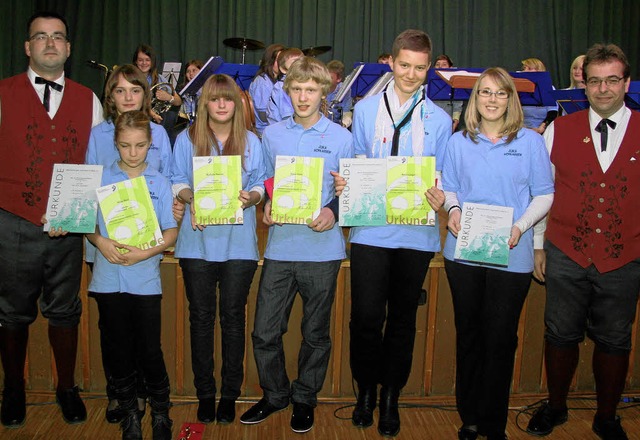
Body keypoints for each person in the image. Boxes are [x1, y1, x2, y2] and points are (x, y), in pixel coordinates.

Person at [339, 29, 451, 438]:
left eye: (420, 68)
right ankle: (365, 390)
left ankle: (391, 397)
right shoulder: (366, 111)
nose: (411, 73)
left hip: (417, 234)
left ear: (429, 69)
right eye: (404, 65)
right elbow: (354, 159)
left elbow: (441, 172)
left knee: (402, 320)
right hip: (370, 229)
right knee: (366, 318)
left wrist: (440, 193)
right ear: (391, 62)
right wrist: (345, 182)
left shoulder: (439, 120)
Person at [526, 43, 639, 440]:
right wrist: (538, 244)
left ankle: (607, 417)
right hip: (565, 251)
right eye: (595, 81)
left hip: (625, 255)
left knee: (614, 338)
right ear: (584, 85)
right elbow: (543, 191)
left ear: (626, 83)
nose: (603, 89)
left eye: (612, 80)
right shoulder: (559, 129)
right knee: (560, 333)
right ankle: (555, 407)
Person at [0, 11, 103, 428]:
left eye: (58, 37)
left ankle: (66, 387)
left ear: (68, 48)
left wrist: (79, 214)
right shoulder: (3, 93)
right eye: (40, 37)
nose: (49, 43)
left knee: (65, 311)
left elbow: (98, 164)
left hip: (68, 226)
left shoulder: (88, 99)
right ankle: (12, 389)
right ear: (27, 47)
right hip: (12, 224)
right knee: (11, 313)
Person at [239, 57, 353, 434]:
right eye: (297, 89)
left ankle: (304, 398)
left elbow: (349, 189)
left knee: (315, 333)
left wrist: (334, 210)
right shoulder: (272, 135)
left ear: (324, 92)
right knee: (264, 332)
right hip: (280, 248)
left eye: (311, 89)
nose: (303, 96)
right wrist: (268, 204)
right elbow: (269, 182)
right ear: (287, 92)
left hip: (323, 250)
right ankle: (275, 395)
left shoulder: (342, 138)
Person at [441, 67, 554, 440]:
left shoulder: (530, 142)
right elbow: (451, 188)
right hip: (464, 253)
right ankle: (470, 417)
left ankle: (494, 423)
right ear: (476, 98)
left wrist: (520, 226)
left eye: (500, 93)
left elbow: (544, 194)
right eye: (485, 92)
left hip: (512, 253)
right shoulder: (459, 142)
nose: (492, 99)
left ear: (510, 99)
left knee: (501, 339)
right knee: (469, 335)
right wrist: (453, 211)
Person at [171, 74, 266, 424]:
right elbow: (176, 178)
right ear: (205, 103)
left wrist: (252, 197)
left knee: (233, 319)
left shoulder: (252, 142)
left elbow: (260, 183)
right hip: (196, 243)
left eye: (228, 99)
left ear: (237, 104)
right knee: (200, 319)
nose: (222, 105)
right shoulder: (187, 139)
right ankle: (205, 394)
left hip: (239, 245)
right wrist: (189, 196)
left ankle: (230, 393)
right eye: (215, 99)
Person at [85, 63, 174, 424]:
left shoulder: (158, 138)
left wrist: (150, 243)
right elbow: (86, 197)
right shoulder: (98, 135)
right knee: (114, 334)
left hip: (144, 253)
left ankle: (149, 401)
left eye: (134, 90)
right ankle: (122, 400)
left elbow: (165, 190)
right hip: (106, 251)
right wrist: (96, 238)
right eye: (120, 91)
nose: (127, 97)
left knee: (146, 341)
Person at [133, 44, 182, 143]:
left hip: (156, 122)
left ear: (152, 62)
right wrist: (152, 114)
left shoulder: (159, 78)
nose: (144, 63)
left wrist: (169, 97)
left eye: (147, 60)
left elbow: (178, 102)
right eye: (140, 60)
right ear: (135, 61)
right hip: (137, 121)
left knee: (171, 117)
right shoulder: (131, 79)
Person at [249, 43, 285, 135]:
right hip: (265, 131)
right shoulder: (262, 82)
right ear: (270, 61)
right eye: (278, 60)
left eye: (283, 60)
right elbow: (262, 115)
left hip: (275, 127)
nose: (282, 63)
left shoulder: (279, 80)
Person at [266, 47, 304, 125]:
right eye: (295, 63)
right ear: (283, 69)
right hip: (280, 129)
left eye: (302, 63)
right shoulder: (281, 87)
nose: (300, 66)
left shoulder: (299, 85)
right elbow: (287, 117)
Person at [520, 58, 557, 134]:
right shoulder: (518, 90)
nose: (525, 71)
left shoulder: (549, 88)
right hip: (522, 129)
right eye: (524, 68)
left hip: (545, 129)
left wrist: (541, 129)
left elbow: (553, 112)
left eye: (529, 68)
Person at [433, 54, 463, 132]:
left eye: (444, 64)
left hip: (448, 125)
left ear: (451, 68)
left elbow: (457, 107)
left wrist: (454, 123)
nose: (440, 67)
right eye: (437, 64)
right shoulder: (426, 88)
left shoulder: (455, 88)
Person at [325, 60, 353, 128]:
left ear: (339, 79)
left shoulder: (345, 90)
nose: (326, 79)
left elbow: (346, 112)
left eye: (330, 77)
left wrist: (342, 127)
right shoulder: (318, 88)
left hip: (336, 126)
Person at [178, 59, 205, 126]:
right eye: (188, 71)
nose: (191, 73)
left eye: (194, 70)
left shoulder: (208, 88)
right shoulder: (184, 91)